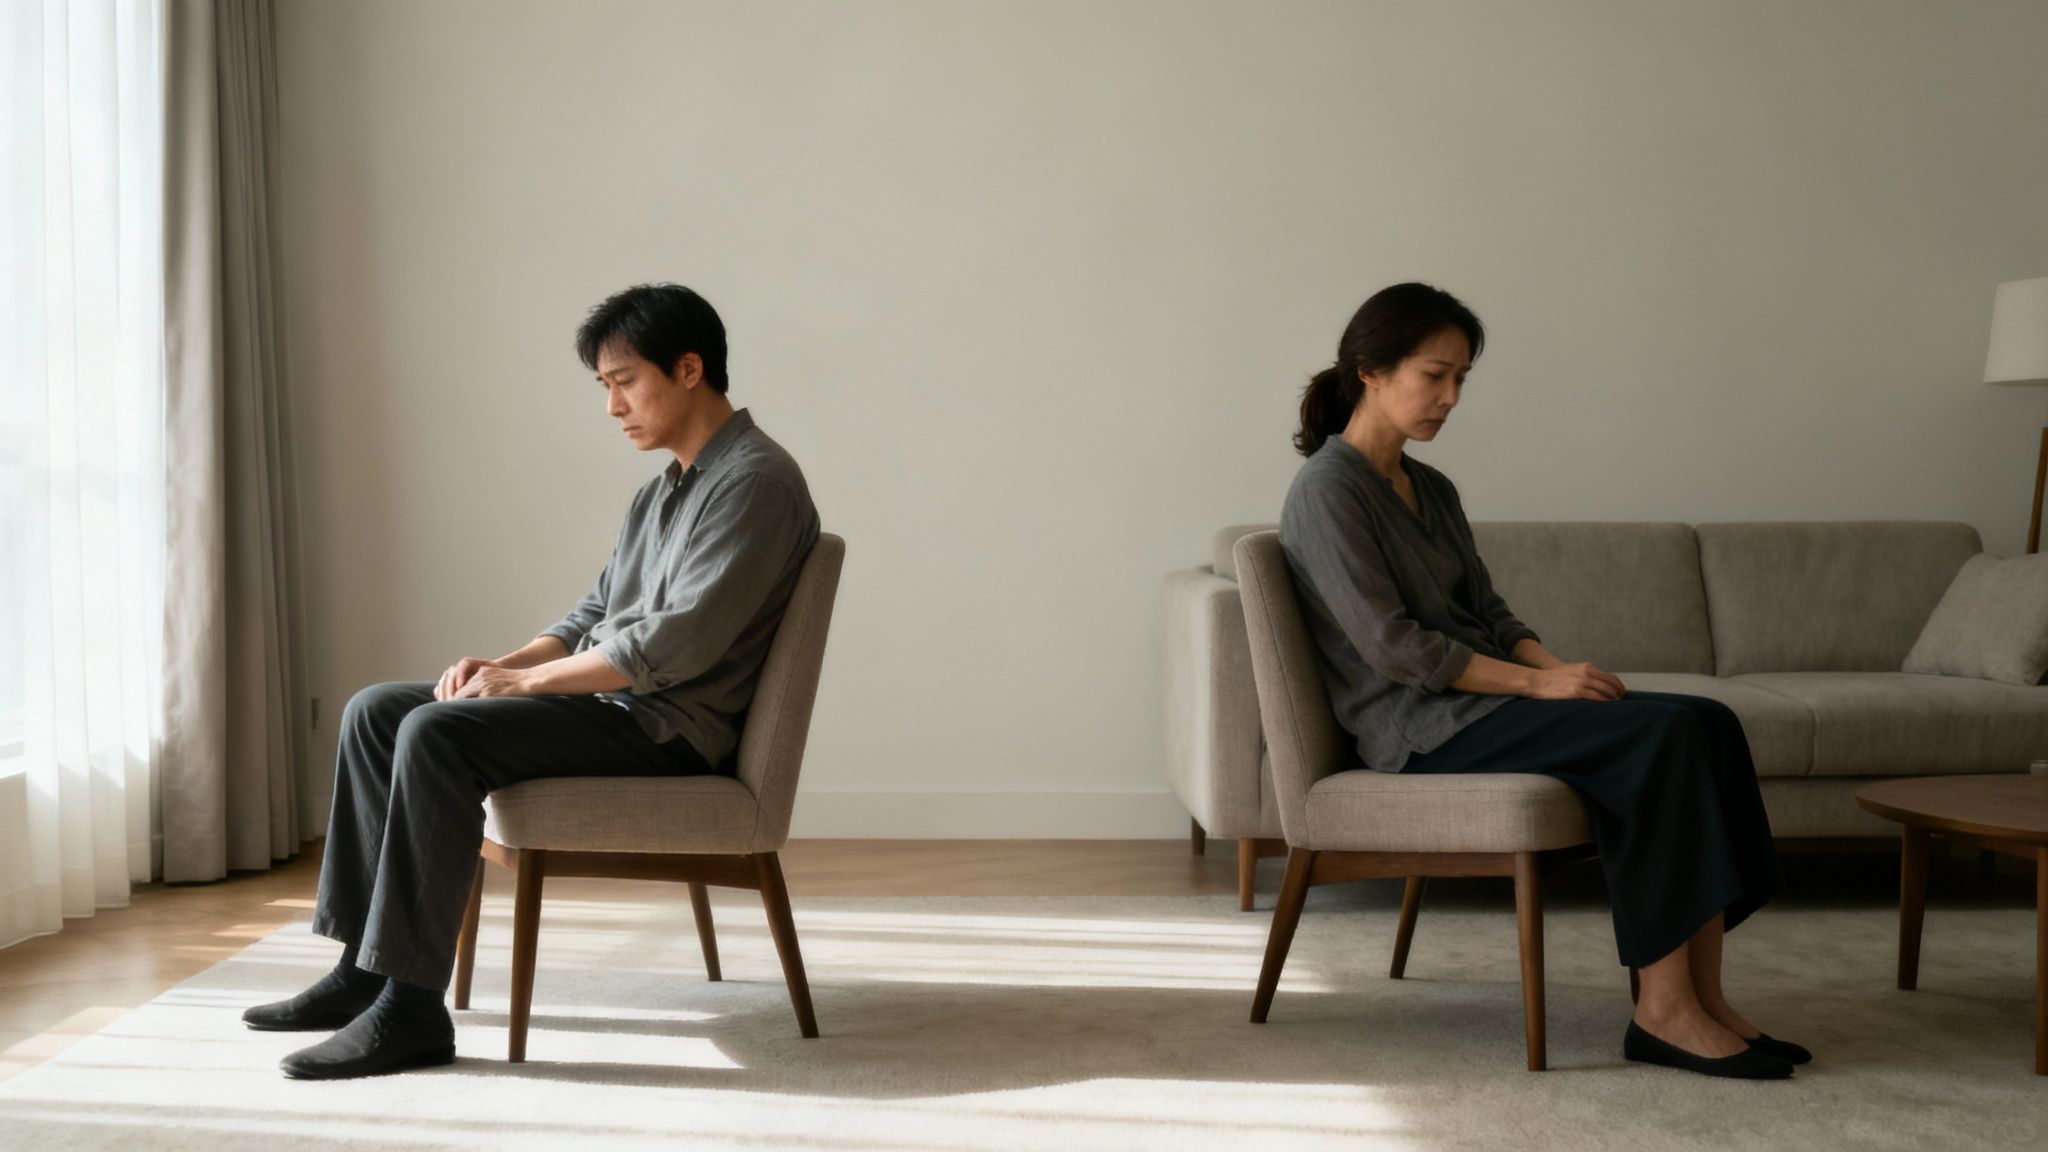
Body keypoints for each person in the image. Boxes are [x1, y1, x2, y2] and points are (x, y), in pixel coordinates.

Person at [245, 284, 820, 1079]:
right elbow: (595, 612)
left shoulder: (755, 481)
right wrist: (507, 666)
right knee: (379, 711)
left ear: (689, 369)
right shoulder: (665, 490)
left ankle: (411, 1010)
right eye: (604, 387)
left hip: (668, 729)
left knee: (437, 733)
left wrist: (530, 687)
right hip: (620, 705)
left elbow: (675, 644)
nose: (613, 405)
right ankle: (362, 972)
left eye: (624, 380)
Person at [1278, 282, 1801, 1080]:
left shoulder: (1432, 487)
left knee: (1709, 720)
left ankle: (1703, 995)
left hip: (1480, 700)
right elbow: (1394, 649)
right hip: (1418, 726)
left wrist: (1558, 669)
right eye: (1434, 375)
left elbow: (1486, 609)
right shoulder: (1327, 490)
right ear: (1371, 371)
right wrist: (1533, 691)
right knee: (1657, 738)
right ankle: (1661, 1012)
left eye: (1461, 380)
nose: (1450, 398)